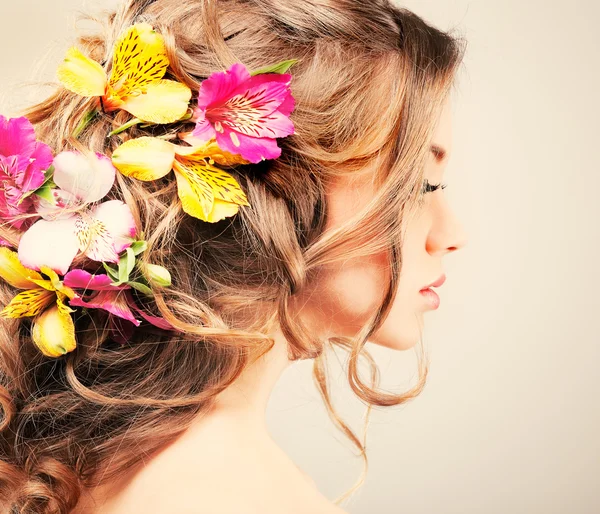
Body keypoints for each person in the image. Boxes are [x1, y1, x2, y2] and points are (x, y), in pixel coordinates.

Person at [0, 0, 468, 513]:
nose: (452, 234)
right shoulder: (242, 493)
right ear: (281, 188)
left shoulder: (80, 460)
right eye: (422, 184)